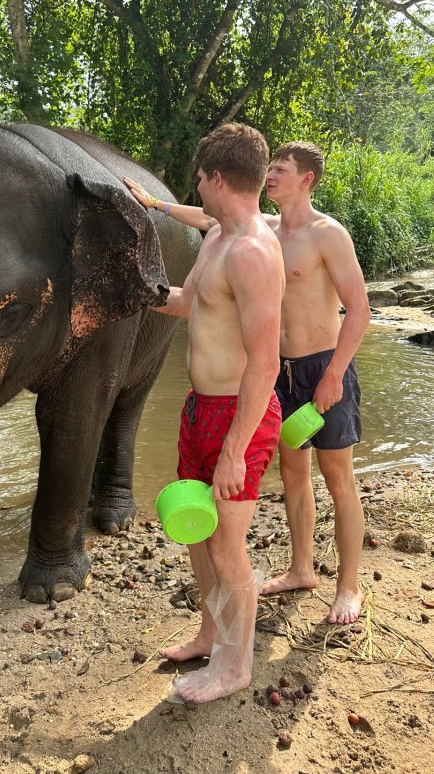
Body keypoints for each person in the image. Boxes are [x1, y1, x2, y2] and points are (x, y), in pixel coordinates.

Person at [125, 140, 371, 625]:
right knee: (295, 478)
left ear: (308, 179)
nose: (272, 175)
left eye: (282, 169)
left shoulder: (328, 234)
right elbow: (209, 217)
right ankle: (302, 569)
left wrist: (336, 373)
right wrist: (155, 205)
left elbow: (359, 310)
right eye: (270, 168)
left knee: (339, 480)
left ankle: (349, 587)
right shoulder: (266, 230)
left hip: (323, 367)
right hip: (275, 370)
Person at [136, 123, 284, 704]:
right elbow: (186, 303)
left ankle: (235, 666)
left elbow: (266, 363)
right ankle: (209, 634)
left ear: (217, 178)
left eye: (199, 178)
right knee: (200, 532)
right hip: (202, 407)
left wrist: (233, 449)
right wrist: (135, 290)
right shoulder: (219, 237)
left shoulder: (250, 252)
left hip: (237, 417)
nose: (196, 187)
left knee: (226, 546)